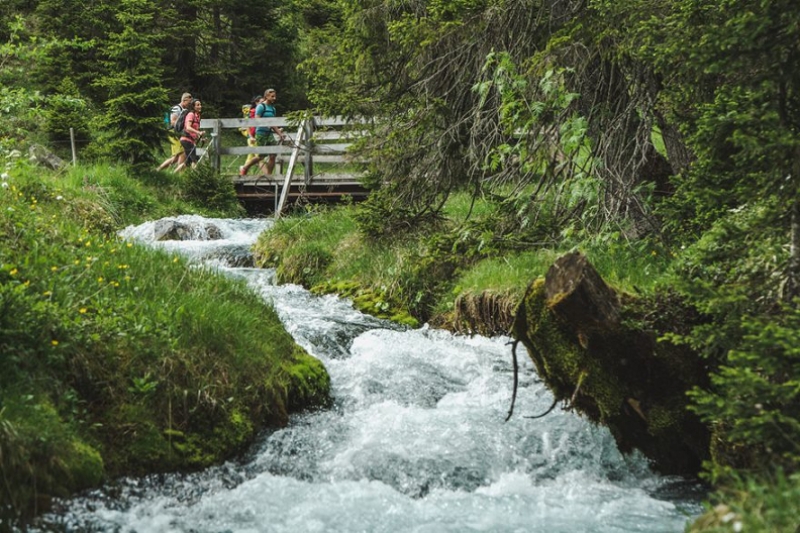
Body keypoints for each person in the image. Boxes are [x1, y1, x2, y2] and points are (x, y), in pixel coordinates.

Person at [239, 88, 287, 177]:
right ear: (266, 96)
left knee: (273, 155)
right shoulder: (261, 107)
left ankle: (269, 176)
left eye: (275, 96)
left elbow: (273, 123)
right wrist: (266, 124)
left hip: (269, 134)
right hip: (261, 133)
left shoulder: (273, 108)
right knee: (260, 156)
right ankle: (245, 168)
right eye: (272, 96)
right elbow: (257, 120)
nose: (274, 98)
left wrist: (280, 134)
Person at [157, 92, 192, 171]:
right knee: (183, 152)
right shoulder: (176, 108)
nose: (189, 104)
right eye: (189, 102)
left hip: (178, 133)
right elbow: (173, 121)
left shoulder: (184, 109)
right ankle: (179, 174)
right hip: (174, 133)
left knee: (175, 158)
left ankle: (158, 170)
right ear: (184, 100)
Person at [173, 99, 205, 173]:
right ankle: (194, 179)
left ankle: (173, 175)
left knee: (188, 163)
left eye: (200, 104)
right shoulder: (191, 114)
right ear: (193, 106)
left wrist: (200, 139)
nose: (200, 106)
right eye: (198, 105)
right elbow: (188, 127)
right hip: (186, 140)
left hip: (189, 140)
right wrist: (199, 132)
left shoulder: (197, 116)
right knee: (195, 160)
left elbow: (193, 132)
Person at [241, 95, 263, 171]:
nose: (263, 104)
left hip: (257, 136)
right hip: (252, 137)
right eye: (261, 102)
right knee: (259, 157)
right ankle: (268, 177)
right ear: (256, 102)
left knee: (250, 157)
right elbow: (248, 125)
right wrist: (250, 136)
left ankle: (243, 172)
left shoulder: (261, 112)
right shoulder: (252, 112)